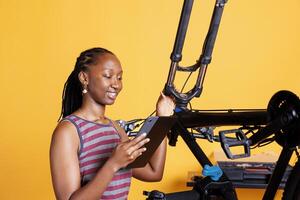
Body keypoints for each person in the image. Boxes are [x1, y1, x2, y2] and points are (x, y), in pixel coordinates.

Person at [50, 47, 175, 200]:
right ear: (84, 78)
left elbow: (153, 172)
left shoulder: (115, 128)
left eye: (120, 77)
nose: (116, 84)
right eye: (108, 76)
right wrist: (113, 164)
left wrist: (162, 119)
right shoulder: (68, 131)